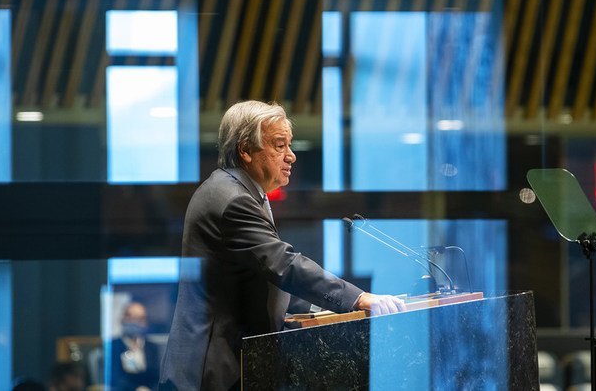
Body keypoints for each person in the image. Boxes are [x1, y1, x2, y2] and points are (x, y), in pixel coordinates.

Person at [158, 100, 406, 390]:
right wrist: (357, 298)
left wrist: (317, 308)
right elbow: (283, 264)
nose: (291, 156)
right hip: (210, 370)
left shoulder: (244, 192)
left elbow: (259, 276)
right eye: (279, 145)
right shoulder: (231, 198)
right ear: (245, 150)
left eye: (289, 145)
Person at [109, 301, 160, 391]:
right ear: (123, 319)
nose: (137, 323)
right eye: (133, 318)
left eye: (141, 319)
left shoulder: (152, 347)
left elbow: (157, 376)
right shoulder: (113, 346)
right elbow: (115, 378)